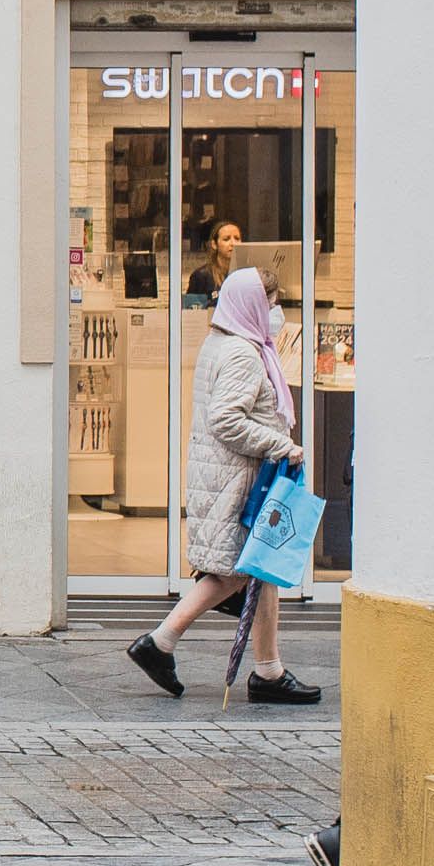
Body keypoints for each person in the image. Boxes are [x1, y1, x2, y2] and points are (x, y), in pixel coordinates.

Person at [123, 266, 322, 704]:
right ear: (253, 304)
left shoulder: (225, 344)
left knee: (258, 568)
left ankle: (269, 672)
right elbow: (227, 419)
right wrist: (281, 445)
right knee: (232, 572)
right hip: (238, 480)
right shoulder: (243, 355)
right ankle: (159, 641)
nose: (275, 311)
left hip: (230, 476)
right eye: (271, 302)